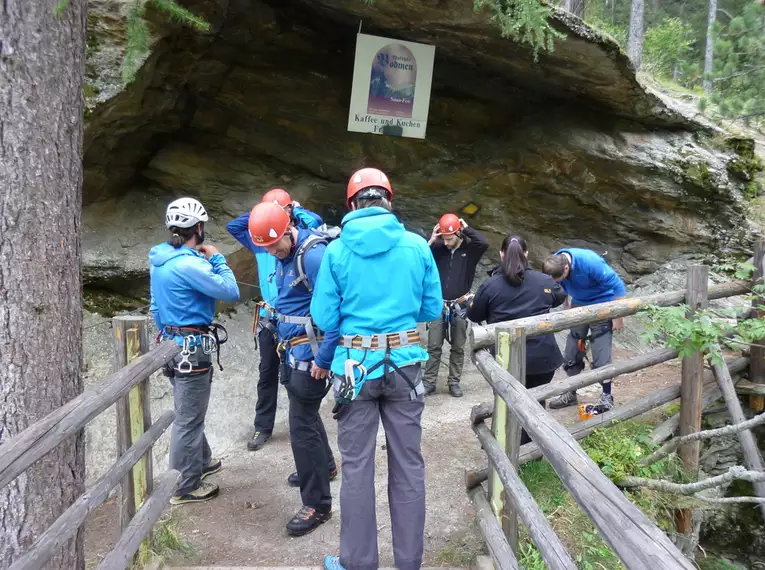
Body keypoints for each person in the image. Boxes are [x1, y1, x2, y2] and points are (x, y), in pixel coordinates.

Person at [310, 167, 442, 570]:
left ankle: (358, 563)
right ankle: (408, 564)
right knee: (407, 464)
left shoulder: (335, 251)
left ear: (351, 205)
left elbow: (324, 316)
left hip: (354, 367)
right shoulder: (417, 246)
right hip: (404, 365)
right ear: (390, 201)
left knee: (356, 467)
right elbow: (431, 309)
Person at [247, 200, 340, 537]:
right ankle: (324, 466)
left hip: (311, 354)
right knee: (307, 418)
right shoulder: (287, 256)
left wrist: (324, 358)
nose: (272, 252)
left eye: (274, 244)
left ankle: (317, 504)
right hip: (295, 350)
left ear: (289, 230)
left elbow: (337, 309)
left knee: (300, 425)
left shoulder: (311, 256)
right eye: (266, 248)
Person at [149, 197, 240, 504]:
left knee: (188, 412)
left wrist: (165, 336)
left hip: (173, 344)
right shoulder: (192, 264)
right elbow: (230, 290)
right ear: (198, 228)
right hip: (193, 347)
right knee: (188, 420)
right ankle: (185, 486)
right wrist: (217, 259)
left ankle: (201, 461)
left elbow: (155, 306)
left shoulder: (159, 260)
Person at [226, 188, 323, 452]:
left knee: (296, 376)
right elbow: (233, 226)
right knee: (267, 373)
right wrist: (263, 212)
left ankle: (302, 428)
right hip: (271, 318)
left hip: (299, 322)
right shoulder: (260, 244)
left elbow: (316, 224)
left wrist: (293, 210)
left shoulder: (298, 239)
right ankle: (263, 427)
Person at [466, 235, 566, 444]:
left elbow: (474, 315)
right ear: (527, 253)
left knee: (506, 403)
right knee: (536, 403)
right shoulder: (544, 281)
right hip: (542, 358)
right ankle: (532, 451)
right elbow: (559, 296)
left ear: (501, 254)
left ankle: (506, 446)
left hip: (506, 358)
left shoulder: (491, 285)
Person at [542, 248, 627, 411]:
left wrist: (619, 316)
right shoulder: (556, 262)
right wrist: (567, 304)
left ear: (566, 268)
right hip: (579, 304)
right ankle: (570, 393)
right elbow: (560, 285)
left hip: (603, 304)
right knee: (572, 351)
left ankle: (607, 396)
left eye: (561, 277)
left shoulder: (590, 262)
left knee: (601, 353)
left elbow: (617, 285)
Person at [423, 213, 489, 397]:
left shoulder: (471, 250)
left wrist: (465, 227)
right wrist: (432, 239)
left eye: (449, 238)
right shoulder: (437, 247)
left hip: (460, 304)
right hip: (439, 304)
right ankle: (429, 382)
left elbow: (484, 243)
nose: (446, 242)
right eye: (443, 238)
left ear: (458, 234)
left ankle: (454, 382)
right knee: (434, 346)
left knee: (458, 347)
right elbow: (420, 256)